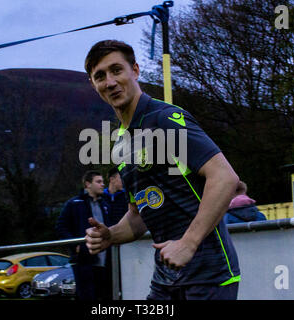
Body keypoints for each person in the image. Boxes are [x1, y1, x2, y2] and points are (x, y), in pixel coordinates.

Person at [84, 40, 241, 300]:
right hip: (165, 281)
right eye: (100, 76)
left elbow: (225, 177)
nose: (110, 82)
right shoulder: (121, 145)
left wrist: (188, 243)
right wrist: (110, 235)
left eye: (116, 70)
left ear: (135, 70)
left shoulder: (163, 118)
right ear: (93, 85)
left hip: (208, 276)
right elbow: (138, 216)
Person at [55, 170, 113, 301]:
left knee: (104, 296)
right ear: (88, 184)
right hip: (84, 260)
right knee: (86, 295)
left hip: (105, 260)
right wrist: (76, 245)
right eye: (98, 181)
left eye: (103, 181)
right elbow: (61, 227)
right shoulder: (74, 204)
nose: (103, 184)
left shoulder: (105, 204)